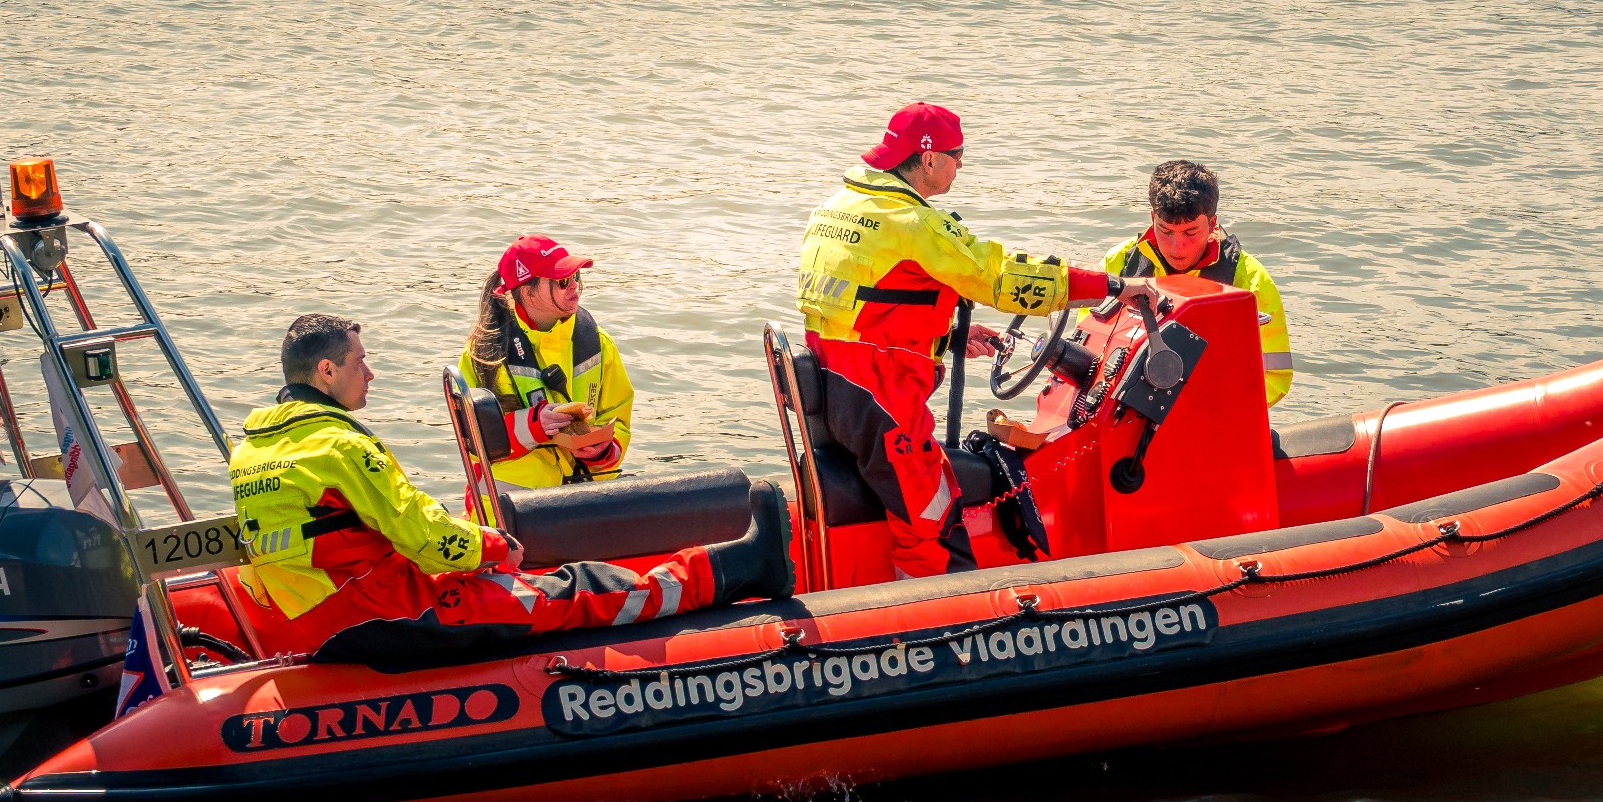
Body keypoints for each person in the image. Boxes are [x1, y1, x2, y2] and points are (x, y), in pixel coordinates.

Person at [229, 314, 778, 654]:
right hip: (377, 613)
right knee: (576, 588)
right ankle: (738, 569)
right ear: (326, 372)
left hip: (318, 616)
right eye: (360, 363)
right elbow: (420, 531)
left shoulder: (251, 450)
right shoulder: (338, 446)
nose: (369, 374)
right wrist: (493, 546)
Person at [797, 101, 1149, 579]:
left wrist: (950, 339)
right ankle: (933, 635)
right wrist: (1111, 287)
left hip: (835, 388)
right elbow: (1003, 279)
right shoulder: (914, 223)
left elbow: (860, 312)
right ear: (928, 160)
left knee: (928, 500)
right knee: (931, 521)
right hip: (879, 394)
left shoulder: (837, 208)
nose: (961, 165)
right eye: (957, 154)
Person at [1103, 160, 1293, 408]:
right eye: (1165, 230)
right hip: (1122, 413)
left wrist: (1202, 412)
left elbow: (1275, 377)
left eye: (1190, 233)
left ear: (1212, 224)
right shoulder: (1118, 265)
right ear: (1152, 218)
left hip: (1210, 417)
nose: (1176, 247)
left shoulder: (1250, 281)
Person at [458, 235, 631, 488]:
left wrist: (605, 451)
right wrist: (531, 426)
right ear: (528, 293)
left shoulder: (599, 341)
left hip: (587, 496)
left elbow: (619, 416)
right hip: (512, 503)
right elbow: (472, 440)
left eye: (576, 278)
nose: (573, 286)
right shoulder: (483, 351)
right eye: (562, 281)